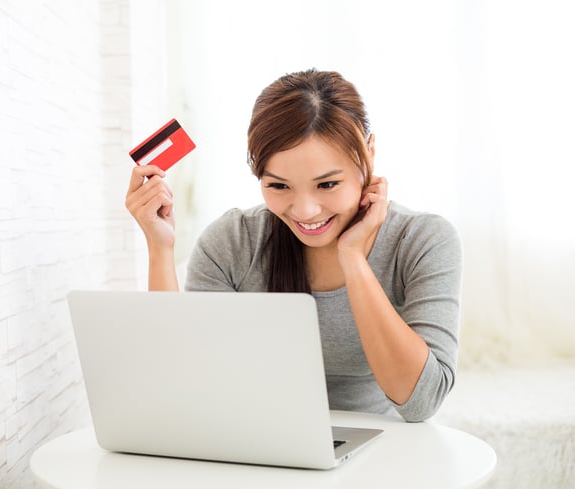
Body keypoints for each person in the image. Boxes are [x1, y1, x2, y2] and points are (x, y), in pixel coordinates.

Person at [125, 68, 462, 422]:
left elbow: (421, 402)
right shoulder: (231, 242)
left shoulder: (423, 240)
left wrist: (354, 260)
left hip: (379, 445)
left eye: (328, 185)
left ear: (370, 154)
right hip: (257, 437)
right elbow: (184, 381)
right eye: (279, 186)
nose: (305, 211)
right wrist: (159, 249)